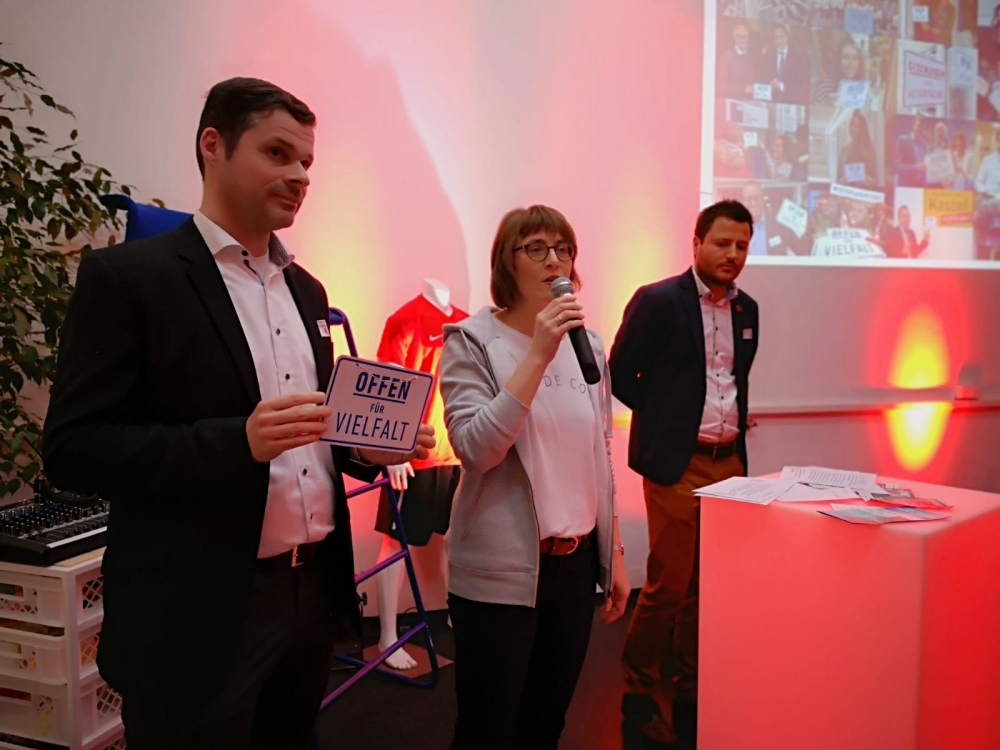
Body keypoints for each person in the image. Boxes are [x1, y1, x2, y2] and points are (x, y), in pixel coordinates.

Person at [42, 77, 435, 750]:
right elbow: (75, 450)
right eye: (278, 153)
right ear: (213, 145)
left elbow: (313, 437)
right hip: (194, 611)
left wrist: (367, 448)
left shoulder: (308, 291)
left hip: (309, 598)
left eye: (306, 161)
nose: (300, 175)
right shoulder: (129, 280)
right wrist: (236, 442)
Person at [439, 205, 630, 750]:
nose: (554, 261)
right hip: (501, 570)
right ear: (508, 261)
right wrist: (539, 353)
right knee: (487, 731)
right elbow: (476, 449)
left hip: (573, 569)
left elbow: (599, 455)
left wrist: (613, 551)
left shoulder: (588, 346)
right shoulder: (472, 341)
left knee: (545, 724)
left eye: (563, 249)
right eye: (537, 248)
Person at [612, 200, 759, 749]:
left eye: (741, 245)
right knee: (668, 585)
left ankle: (692, 688)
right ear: (696, 243)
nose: (732, 254)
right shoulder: (657, 301)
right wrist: (669, 421)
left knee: (707, 585)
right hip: (678, 463)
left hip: (731, 464)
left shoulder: (747, 310)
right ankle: (638, 693)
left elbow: (734, 380)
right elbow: (621, 374)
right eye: (722, 243)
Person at [372, 278, 467, 670]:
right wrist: (392, 452)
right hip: (415, 455)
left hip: (457, 453)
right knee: (395, 543)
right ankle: (386, 635)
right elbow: (386, 388)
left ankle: (458, 615)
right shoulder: (405, 320)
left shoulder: (465, 322)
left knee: (457, 540)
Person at [837, 109, 879, 188]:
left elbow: (875, 180)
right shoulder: (844, 150)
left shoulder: (870, 151)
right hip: (848, 191)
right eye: (852, 125)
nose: (854, 129)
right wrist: (841, 182)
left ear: (863, 129)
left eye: (858, 126)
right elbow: (838, 180)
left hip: (864, 192)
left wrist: (870, 181)